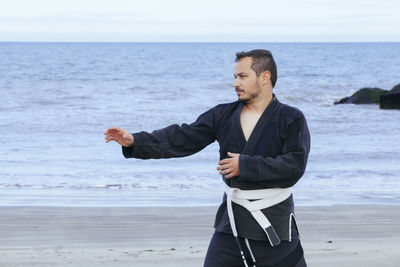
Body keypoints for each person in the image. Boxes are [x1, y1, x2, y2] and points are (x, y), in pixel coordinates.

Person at [104, 49, 310, 267]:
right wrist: (134, 141)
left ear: (265, 77)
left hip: (274, 225)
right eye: (235, 77)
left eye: (242, 76)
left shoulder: (291, 118)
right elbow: (182, 138)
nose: (235, 83)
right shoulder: (223, 115)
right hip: (232, 224)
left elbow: (294, 166)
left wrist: (246, 165)